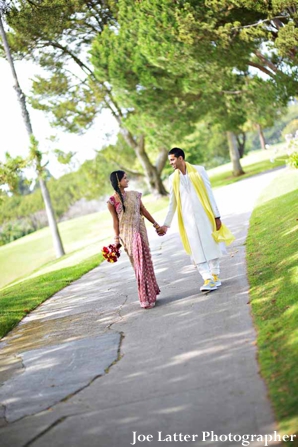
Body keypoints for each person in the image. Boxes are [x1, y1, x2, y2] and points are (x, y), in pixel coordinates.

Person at [158, 148, 234, 292]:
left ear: (181, 158)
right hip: (188, 221)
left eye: (172, 160)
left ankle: (215, 275)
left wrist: (217, 216)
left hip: (205, 215)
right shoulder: (172, 179)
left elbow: (209, 193)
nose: (170, 163)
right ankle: (207, 278)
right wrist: (166, 224)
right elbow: (172, 203)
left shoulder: (199, 171)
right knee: (196, 249)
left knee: (211, 244)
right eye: (169, 161)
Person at [107, 170, 161, 309]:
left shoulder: (134, 195)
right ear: (118, 182)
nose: (128, 180)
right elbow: (115, 222)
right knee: (138, 264)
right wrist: (116, 240)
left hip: (140, 230)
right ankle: (144, 298)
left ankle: (151, 295)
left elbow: (144, 210)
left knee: (146, 261)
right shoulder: (111, 201)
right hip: (128, 235)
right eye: (125, 178)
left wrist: (155, 224)